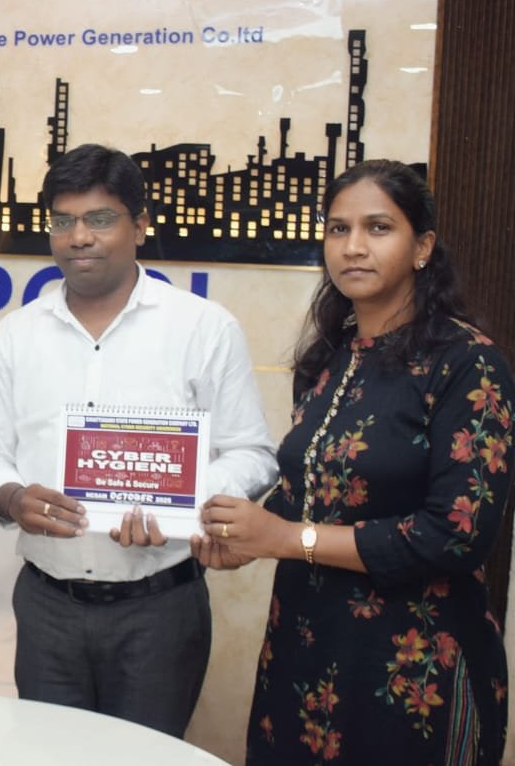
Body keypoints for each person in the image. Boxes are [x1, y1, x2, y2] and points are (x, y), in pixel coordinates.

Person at [195, 160, 513, 764]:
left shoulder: (467, 363)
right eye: (338, 229)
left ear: (423, 247)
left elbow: (457, 533)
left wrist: (286, 537)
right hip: (304, 649)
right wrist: (245, 538)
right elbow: (309, 493)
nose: (353, 247)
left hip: (413, 670)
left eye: (378, 228)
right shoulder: (327, 359)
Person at [0, 143, 277, 736]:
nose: (79, 237)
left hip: (159, 609)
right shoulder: (16, 334)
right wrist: (12, 499)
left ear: (140, 225)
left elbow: (253, 454)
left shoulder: (202, 327)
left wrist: (179, 502)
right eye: (63, 221)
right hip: (47, 608)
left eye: (100, 219)